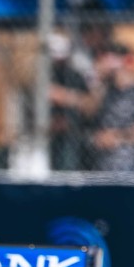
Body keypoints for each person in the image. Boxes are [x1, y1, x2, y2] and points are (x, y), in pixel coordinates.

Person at [83, 42, 134, 172]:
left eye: (107, 58)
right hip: (99, 165)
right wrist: (95, 79)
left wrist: (118, 136)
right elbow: (88, 111)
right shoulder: (104, 91)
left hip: (129, 166)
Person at [47, 32, 90, 170]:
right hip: (53, 133)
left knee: (72, 167)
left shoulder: (75, 76)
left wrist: (65, 97)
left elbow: (88, 103)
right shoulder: (47, 74)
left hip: (73, 132)